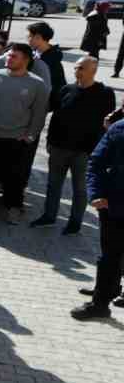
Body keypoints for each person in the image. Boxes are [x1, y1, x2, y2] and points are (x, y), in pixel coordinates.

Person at [33, 56, 116, 233]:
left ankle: (75, 223)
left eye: (81, 68)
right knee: (53, 184)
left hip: (85, 151)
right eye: (76, 68)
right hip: (59, 147)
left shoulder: (105, 93)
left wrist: (99, 150)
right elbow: (56, 117)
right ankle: (49, 216)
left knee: (80, 189)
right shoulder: (66, 90)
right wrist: (49, 141)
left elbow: (107, 125)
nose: (76, 71)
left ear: (93, 71)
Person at [0, 43, 51, 222]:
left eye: (13, 56)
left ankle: (13, 208)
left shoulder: (37, 84)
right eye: (8, 55)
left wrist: (30, 135)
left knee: (14, 178)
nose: (8, 59)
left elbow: (39, 113)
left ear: (26, 60)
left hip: (16, 139)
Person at [74, 110, 124, 321]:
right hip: (115, 207)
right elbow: (96, 162)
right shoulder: (119, 128)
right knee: (110, 256)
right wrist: (96, 194)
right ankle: (101, 301)